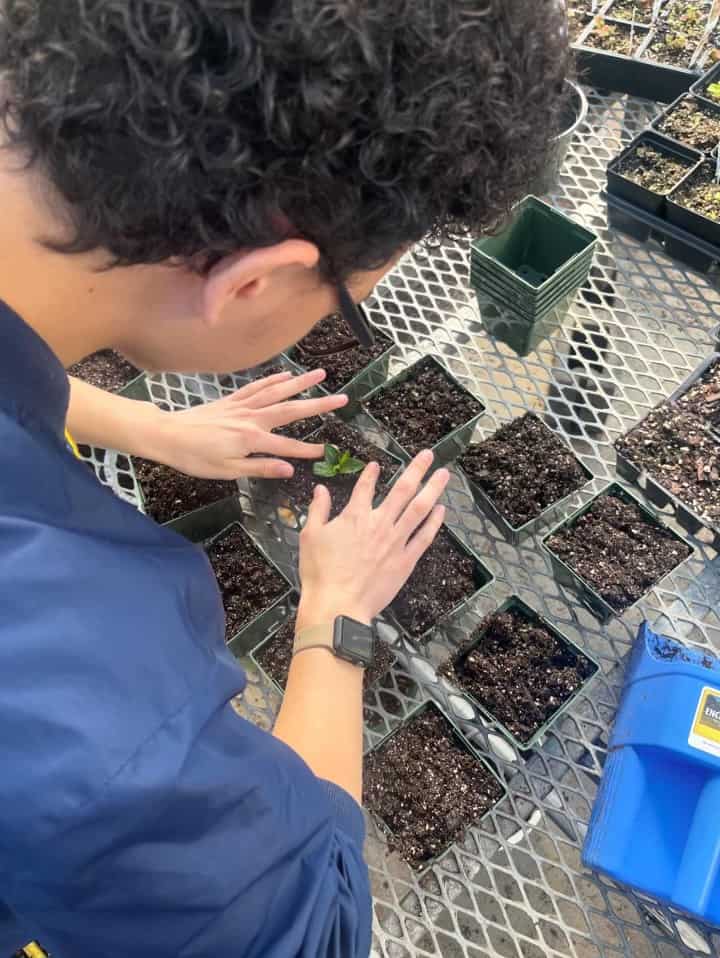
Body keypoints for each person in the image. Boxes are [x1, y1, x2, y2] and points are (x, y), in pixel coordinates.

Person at [0, 1, 570, 955]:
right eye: (346, 308)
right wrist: (335, 614)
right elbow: (314, 934)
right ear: (254, 283)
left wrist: (144, 424)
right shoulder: (86, 704)